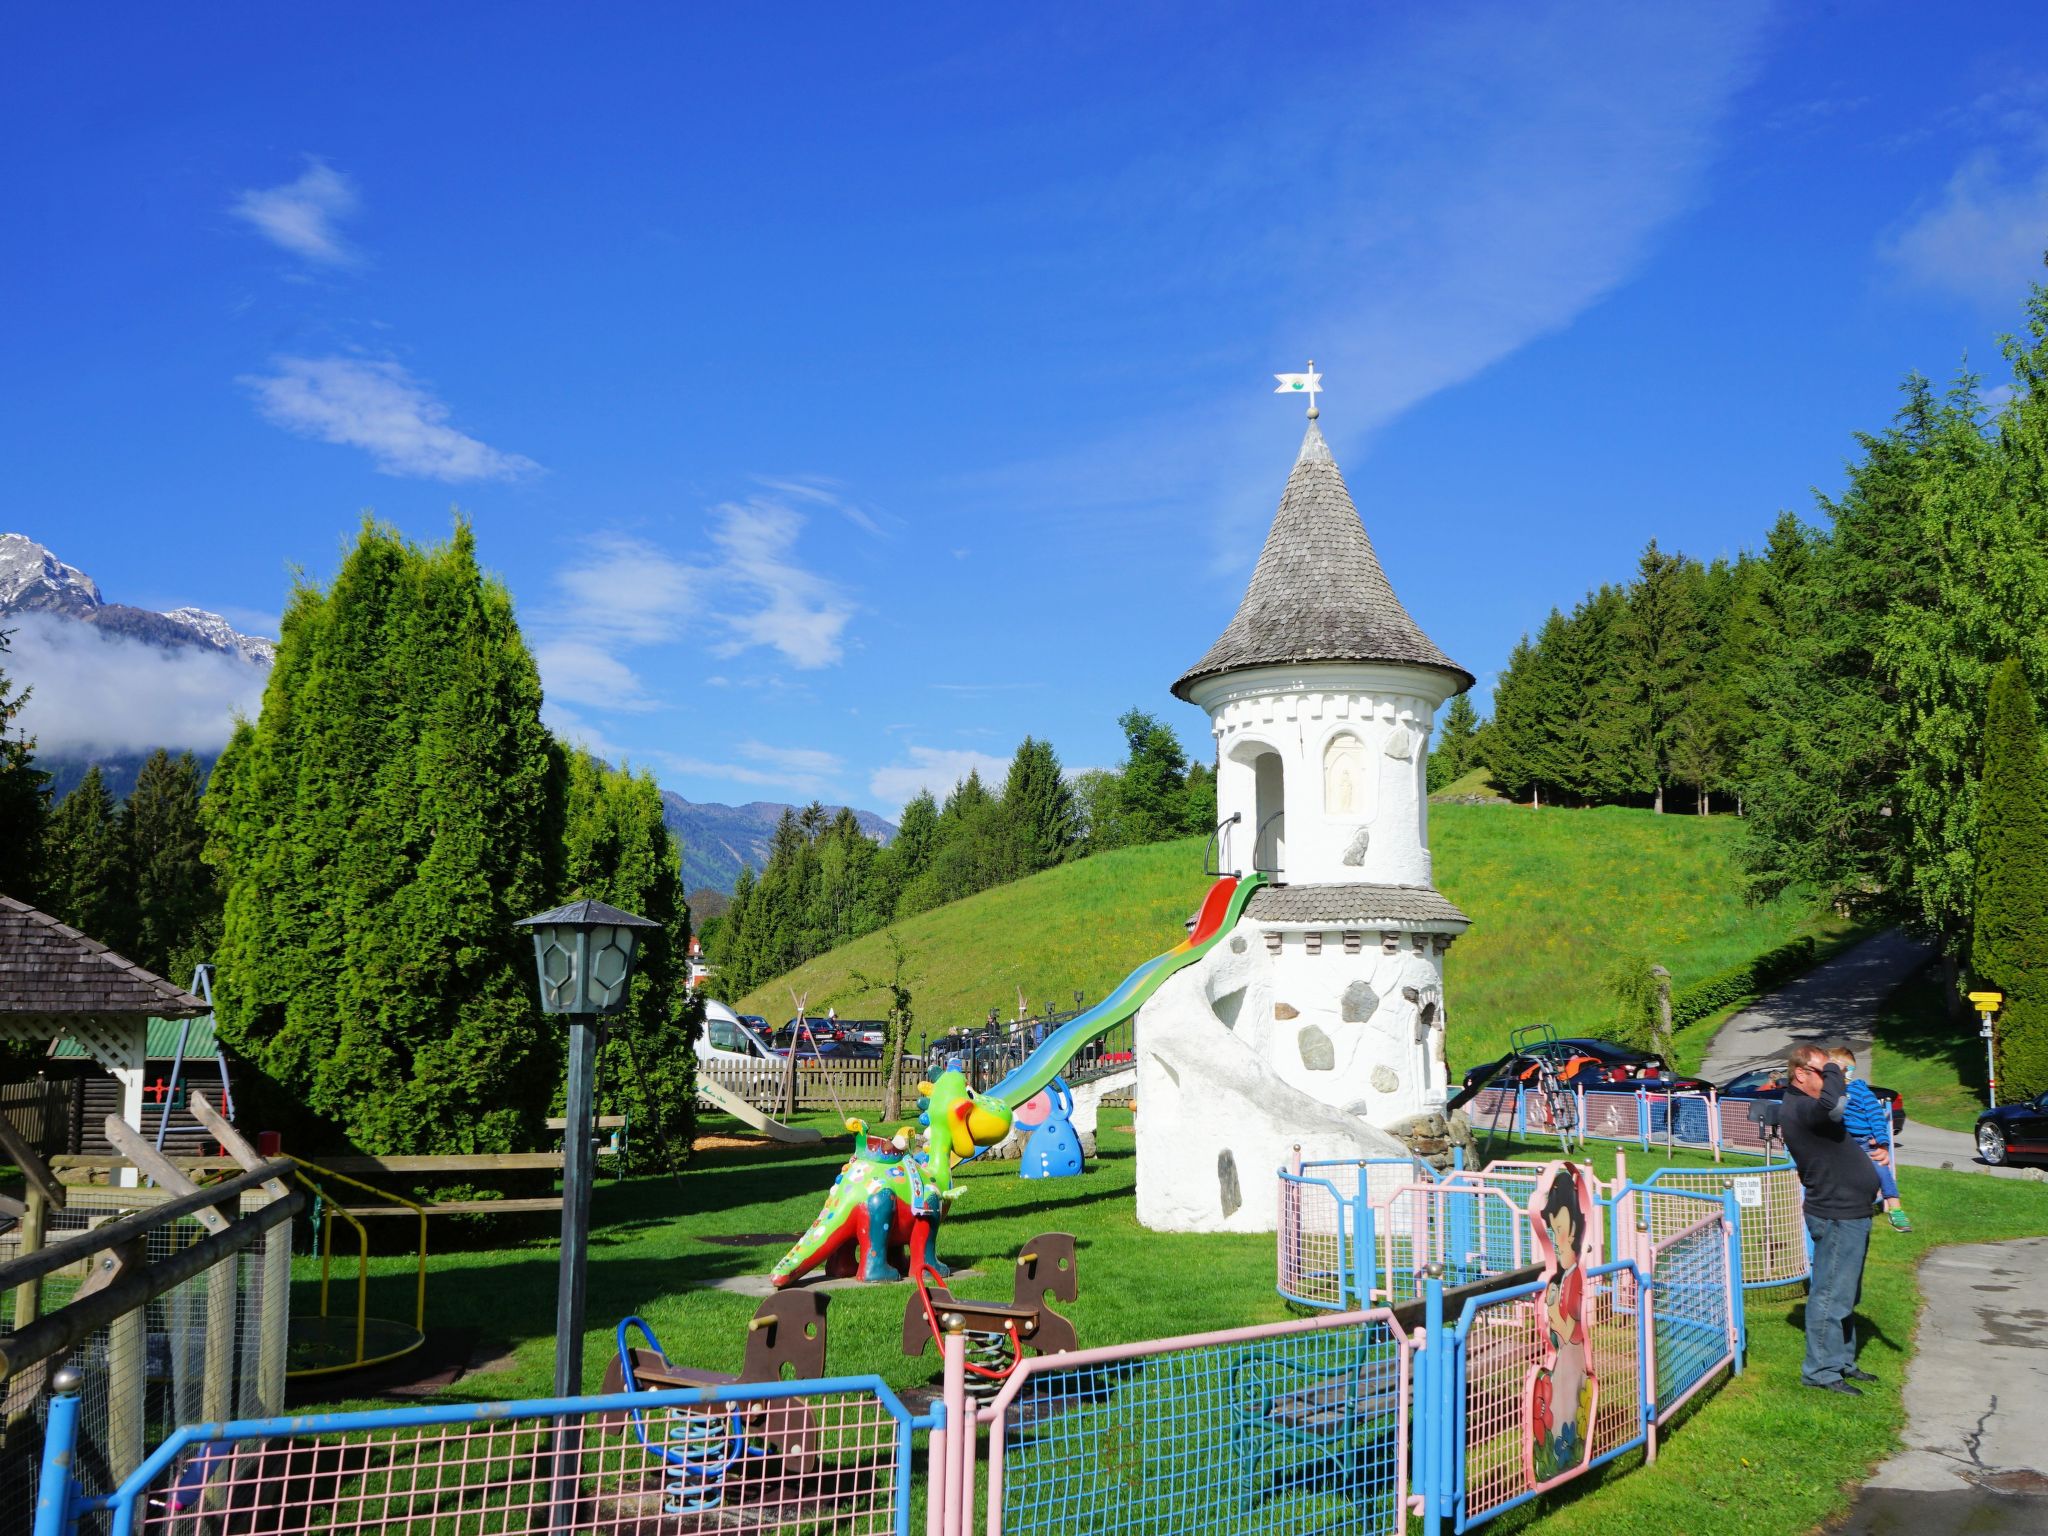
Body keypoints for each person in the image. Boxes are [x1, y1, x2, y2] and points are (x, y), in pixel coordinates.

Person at [1779, 1043, 1882, 1395]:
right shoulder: (1802, 1108)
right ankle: (1821, 1371)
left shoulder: (1808, 1106)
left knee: (1846, 1294)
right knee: (1830, 1295)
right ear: (1801, 1074)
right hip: (1836, 1213)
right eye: (1823, 1074)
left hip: (1850, 1210)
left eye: (1829, 1073)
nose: (1830, 1080)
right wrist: (1838, 1070)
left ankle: (1842, 1363)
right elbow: (1834, 1106)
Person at [1828, 1046, 1911, 1232]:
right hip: (1844, 1144)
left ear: (1844, 1070)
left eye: (1831, 1066)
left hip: (1865, 1142)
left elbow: (1876, 1116)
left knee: (1882, 1171)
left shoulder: (1859, 1091)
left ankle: (1895, 1208)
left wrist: (1882, 1142)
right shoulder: (1830, 1092)